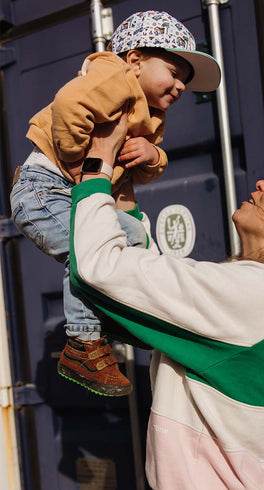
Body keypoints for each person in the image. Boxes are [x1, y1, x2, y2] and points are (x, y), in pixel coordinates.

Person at [66, 114, 264, 489]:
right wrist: (124, 199)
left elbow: (101, 271)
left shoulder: (260, 294)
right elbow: (156, 290)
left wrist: (97, 166)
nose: (262, 183)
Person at [9, 11, 221, 397]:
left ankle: (117, 313)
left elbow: (134, 175)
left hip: (69, 192)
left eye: (185, 83)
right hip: (43, 189)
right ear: (136, 60)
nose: (179, 87)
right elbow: (67, 104)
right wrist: (80, 165)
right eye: (173, 72)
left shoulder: (150, 114)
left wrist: (153, 156)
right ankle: (82, 344)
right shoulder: (114, 75)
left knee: (132, 238)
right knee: (88, 251)